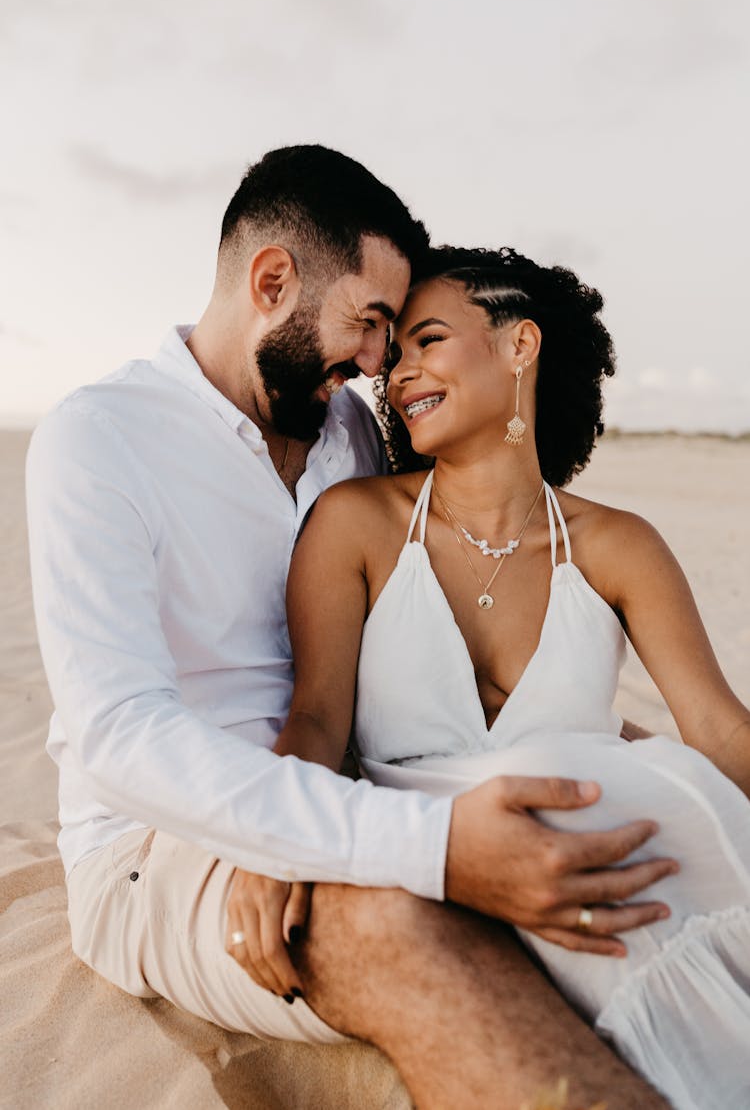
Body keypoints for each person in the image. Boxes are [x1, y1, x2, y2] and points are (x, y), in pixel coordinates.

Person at [26, 148, 674, 1110]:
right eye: (369, 323)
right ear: (273, 280)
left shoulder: (348, 438)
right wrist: (412, 842)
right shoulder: (100, 438)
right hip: (160, 849)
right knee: (402, 927)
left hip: (368, 784)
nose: (379, 361)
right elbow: (124, 736)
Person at [234, 245, 750, 1109]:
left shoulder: (620, 545)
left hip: (661, 879)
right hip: (468, 890)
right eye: (393, 354)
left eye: (429, 340)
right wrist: (269, 839)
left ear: (521, 346)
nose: (400, 374)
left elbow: (720, 730)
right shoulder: (356, 523)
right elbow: (317, 718)